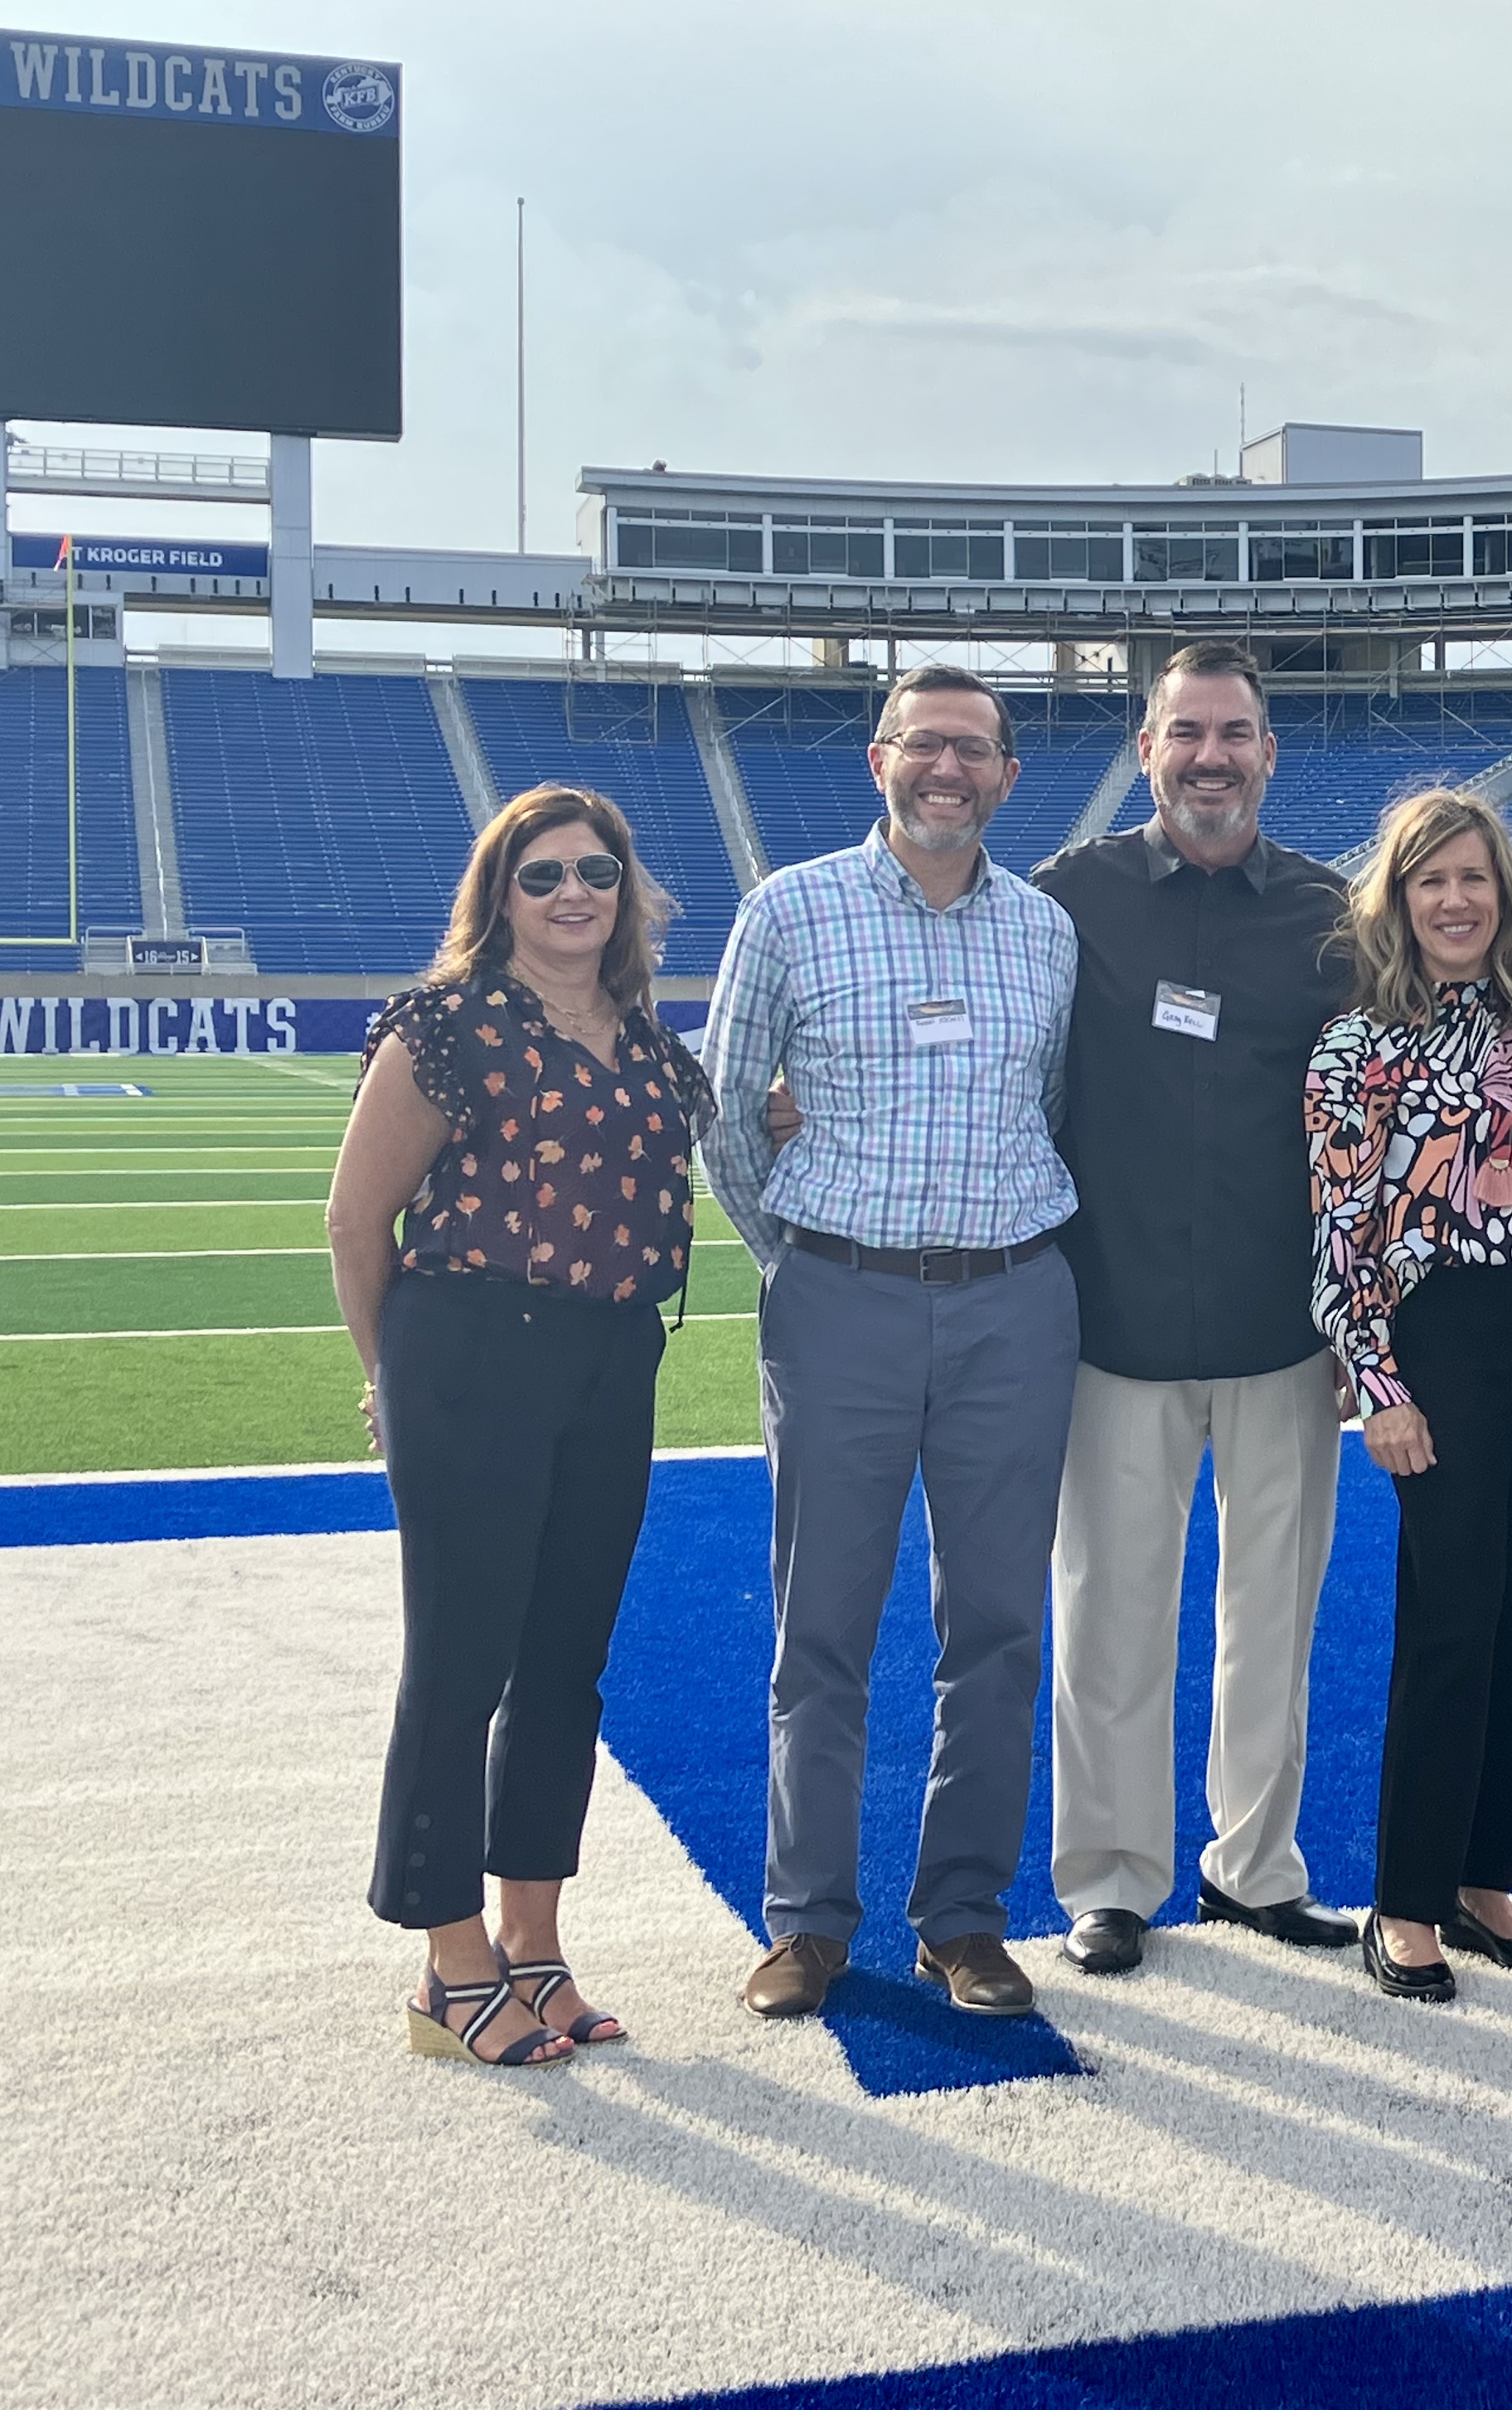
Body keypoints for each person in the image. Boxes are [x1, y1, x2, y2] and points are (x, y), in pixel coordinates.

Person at [700, 662, 1083, 2024]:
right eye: (926, 744)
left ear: (1006, 775)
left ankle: (963, 1916)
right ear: (880, 759)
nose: (948, 769)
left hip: (1014, 1301)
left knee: (995, 1623)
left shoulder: (1045, 931)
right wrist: (795, 1257)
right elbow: (728, 1108)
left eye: (973, 749)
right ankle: (807, 1919)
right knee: (826, 1622)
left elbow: (1044, 1104)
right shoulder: (789, 909)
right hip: (840, 1298)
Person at [330, 784, 710, 2066]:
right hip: (472, 1353)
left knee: (565, 1667)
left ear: (627, 891)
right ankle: (448, 1964)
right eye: (541, 874)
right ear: (500, 894)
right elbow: (354, 1217)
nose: (572, 895)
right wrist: (395, 1381)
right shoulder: (448, 1025)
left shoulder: (652, 1045)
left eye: (596, 871)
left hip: (612, 1359)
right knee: (463, 1661)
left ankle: (534, 1946)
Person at [1029, 638, 1359, 1972]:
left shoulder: (1338, 911)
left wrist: (1365, 1321)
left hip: (1285, 1332)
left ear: (1268, 754)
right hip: (1112, 1326)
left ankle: (1255, 1868)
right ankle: (1110, 1879)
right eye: (1186, 734)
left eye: (1235, 734)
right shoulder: (1070, 895)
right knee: (1107, 1615)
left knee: (1273, 1615)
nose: (1210, 757)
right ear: (1148, 748)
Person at [1306, 789, 1512, 2004]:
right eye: (1432, 881)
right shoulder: (1354, 1048)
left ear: (1505, 894)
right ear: (1399, 899)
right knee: (1451, 1618)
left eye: (1475, 878)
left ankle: (1483, 1879)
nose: (1457, 900)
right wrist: (1382, 1386)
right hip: (1444, 1339)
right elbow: (1339, 1237)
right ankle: (1407, 1898)